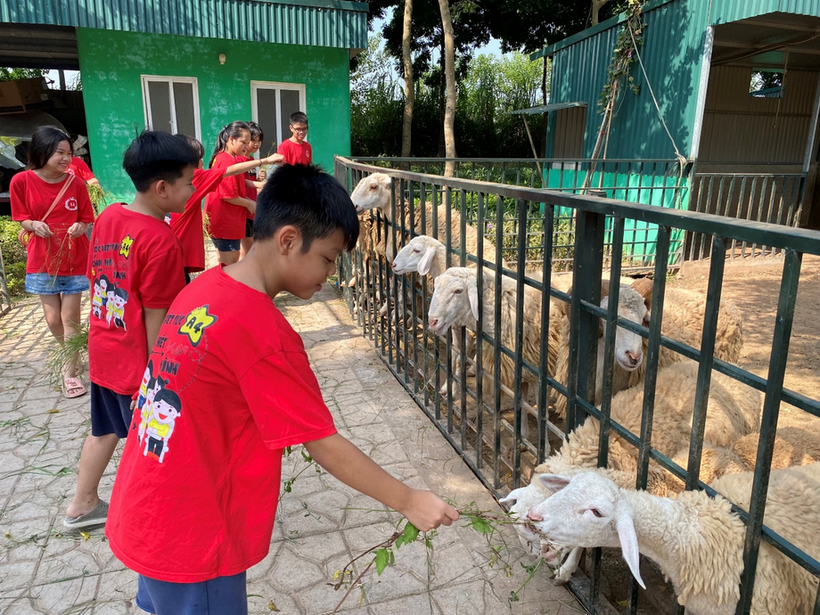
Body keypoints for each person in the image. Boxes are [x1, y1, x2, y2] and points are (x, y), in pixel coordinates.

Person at [105, 164, 459, 615]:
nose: (330, 273)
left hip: (149, 507)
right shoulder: (263, 332)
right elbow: (323, 444)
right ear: (289, 240)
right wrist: (410, 500)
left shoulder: (207, 287)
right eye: (329, 259)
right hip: (194, 538)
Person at [62, 131, 199, 530]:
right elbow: (159, 319)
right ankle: (153, 516)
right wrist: (164, 379)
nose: (193, 190)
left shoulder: (109, 217)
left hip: (105, 352)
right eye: (189, 182)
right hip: (139, 366)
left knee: (105, 430)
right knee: (154, 443)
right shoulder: (161, 242)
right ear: (162, 188)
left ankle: (82, 504)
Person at [10, 126, 95, 398]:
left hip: (74, 256)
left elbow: (85, 218)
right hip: (42, 258)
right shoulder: (20, 181)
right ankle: (71, 352)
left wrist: (80, 227)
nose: (66, 158)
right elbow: (20, 216)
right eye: (60, 152)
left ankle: (69, 372)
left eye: (69, 153)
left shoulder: (76, 183)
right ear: (42, 151)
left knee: (69, 317)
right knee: (52, 318)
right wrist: (33, 224)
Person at [168, 134, 281, 281]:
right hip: (182, 251)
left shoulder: (166, 179)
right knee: (230, 262)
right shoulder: (196, 176)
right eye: (244, 141)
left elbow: (237, 176)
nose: (202, 163)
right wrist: (265, 161)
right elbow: (231, 176)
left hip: (171, 251)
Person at [203, 121, 257, 266]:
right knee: (229, 266)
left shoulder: (229, 158)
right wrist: (249, 203)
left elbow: (237, 187)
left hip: (228, 222)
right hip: (225, 223)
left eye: (248, 142)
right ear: (231, 140)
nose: (247, 146)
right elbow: (228, 195)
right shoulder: (225, 160)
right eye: (244, 142)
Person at [238, 121, 266, 260]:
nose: (256, 144)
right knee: (248, 249)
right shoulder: (240, 159)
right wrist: (257, 184)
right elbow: (239, 182)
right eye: (252, 140)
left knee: (248, 247)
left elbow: (251, 182)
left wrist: (260, 180)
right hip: (245, 207)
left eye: (258, 140)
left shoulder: (252, 159)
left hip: (251, 207)